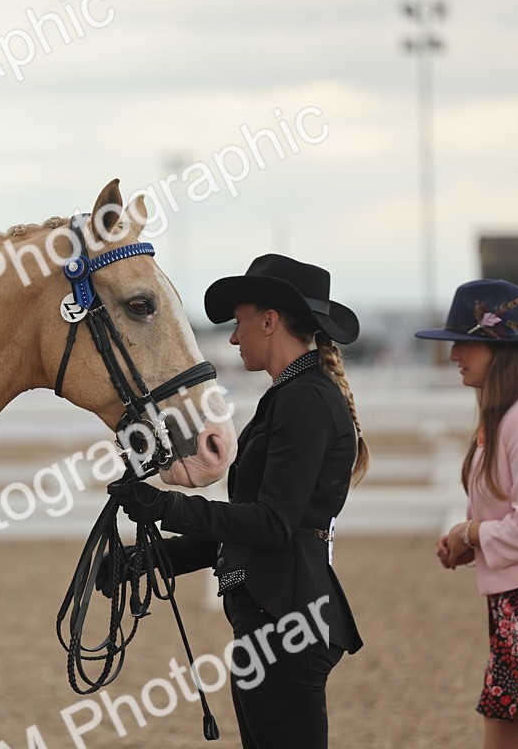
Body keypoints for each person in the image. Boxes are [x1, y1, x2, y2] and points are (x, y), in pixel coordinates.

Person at [105, 254, 367, 749]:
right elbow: (248, 532)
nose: (232, 338)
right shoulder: (292, 396)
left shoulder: (304, 401)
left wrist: (165, 506)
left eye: (238, 322)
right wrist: (148, 559)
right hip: (277, 613)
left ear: (269, 321)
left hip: (285, 619)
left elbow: (272, 524)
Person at [421, 279, 518, 747]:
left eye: (464, 343)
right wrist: (471, 541)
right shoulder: (505, 418)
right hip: (510, 606)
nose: (454, 355)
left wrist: (471, 533)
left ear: (501, 349)